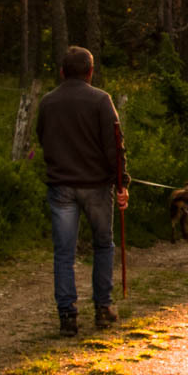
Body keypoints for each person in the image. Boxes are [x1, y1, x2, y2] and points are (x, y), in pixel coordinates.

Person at [34, 45, 129, 336]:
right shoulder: (101, 100)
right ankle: (103, 308)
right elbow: (115, 144)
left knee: (64, 252)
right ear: (90, 72)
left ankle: (67, 316)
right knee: (103, 244)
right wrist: (122, 182)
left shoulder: (48, 102)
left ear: (62, 72)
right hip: (97, 186)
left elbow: (42, 137)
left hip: (61, 185)